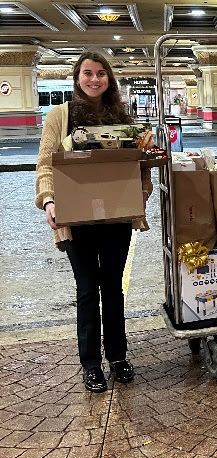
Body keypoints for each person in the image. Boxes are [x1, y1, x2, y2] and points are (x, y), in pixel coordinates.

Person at [35, 52, 153, 393]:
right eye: (88, 73)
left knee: (113, 288)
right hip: (76, 217)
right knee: (87, 291)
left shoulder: (121, 115)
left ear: (109, 79)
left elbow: (137, 165)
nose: (95, 79)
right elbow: (45, 163)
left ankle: (118, 357)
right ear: (77, 78)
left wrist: (139, 191)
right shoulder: (61, 115)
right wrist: (49, 200)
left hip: (115, 216)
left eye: (101, 73)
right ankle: (91, 364)